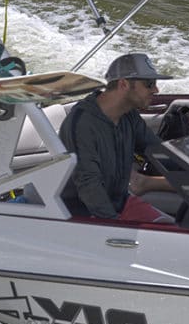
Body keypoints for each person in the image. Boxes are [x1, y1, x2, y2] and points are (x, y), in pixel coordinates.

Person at [59, 53, 176, 223]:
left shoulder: (128, 115)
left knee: (174, 231)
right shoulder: (82, 123)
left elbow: (158, 152)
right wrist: (114, 225)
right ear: (124, 84)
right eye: (149, 84)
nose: (155, 90)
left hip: (120, 202)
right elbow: (88, 185)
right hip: (83, 214)